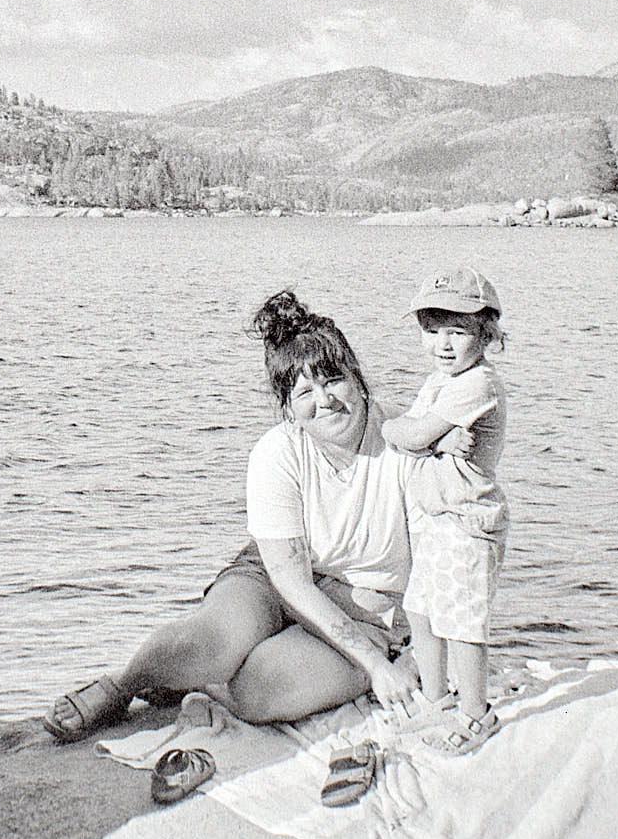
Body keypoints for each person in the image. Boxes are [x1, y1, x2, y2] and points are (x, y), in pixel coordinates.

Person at [40, 289, 420, 746]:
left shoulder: (407, 438)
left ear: (358, 378)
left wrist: (399, 658)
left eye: (333, 379)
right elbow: (292, 581)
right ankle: (122, 686)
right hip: (274, 576)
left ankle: (193, 681)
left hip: (367, 607)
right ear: (288, 409)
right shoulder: (277, 453)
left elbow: (462, 546)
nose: (325, 400)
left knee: (257, 691)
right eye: (304, 392)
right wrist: (375, 668)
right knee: (208, 643)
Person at [382, 265, 509, 754]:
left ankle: (477, 714)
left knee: (461, 621)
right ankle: (436, 699)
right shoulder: (440, 381)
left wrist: (417, 437)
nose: (443, 344)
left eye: (458, 331)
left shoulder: (478, 384)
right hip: (436, 518)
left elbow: (407, 434)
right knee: (421, 609)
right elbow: (411, 426)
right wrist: (427, 436)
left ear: (487, 332)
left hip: (467, 521)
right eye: (432, 331)